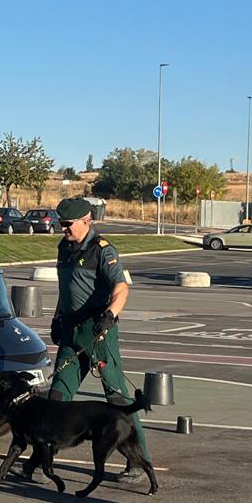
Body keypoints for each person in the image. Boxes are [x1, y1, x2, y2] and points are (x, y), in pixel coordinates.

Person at [45, 196, 150, 480]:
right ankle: (44, 459)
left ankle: (139, 462)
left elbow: (122, 288)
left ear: (86, 220)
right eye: (60, 223)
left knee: (117, 399)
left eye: (67, 224)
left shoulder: (102, 250)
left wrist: (110, 315)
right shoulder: (63, 248)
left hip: (98, 331)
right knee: (57, 395)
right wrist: (57, 317)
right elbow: (65, 289)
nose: (63, 229)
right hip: (70, 329)